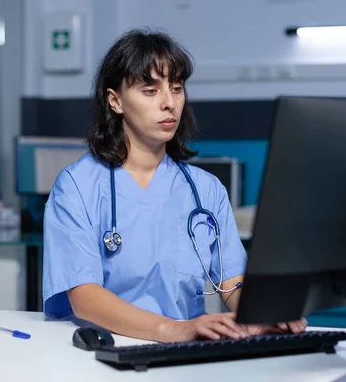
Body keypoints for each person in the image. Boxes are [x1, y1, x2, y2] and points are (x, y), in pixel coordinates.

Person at [42, 28, 307, 342]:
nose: (169, 103)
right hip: (105, 348)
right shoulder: (77, 186)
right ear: (115, 101)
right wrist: (174, 329)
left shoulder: (206, 190)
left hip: (186, 351)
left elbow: (233, 280)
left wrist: (262, 313)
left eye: (177, 88)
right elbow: (83, 296)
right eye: (150, 91)